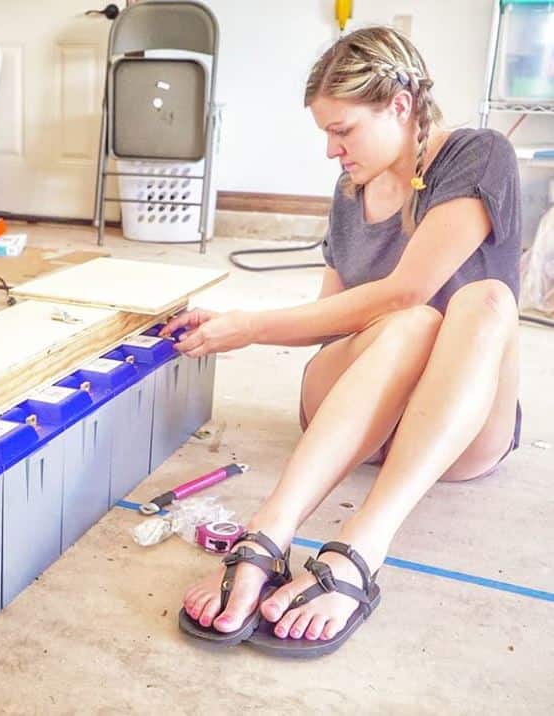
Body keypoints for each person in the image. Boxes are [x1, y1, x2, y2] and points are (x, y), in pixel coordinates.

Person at [161, 26, 523, 658]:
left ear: (401, 106)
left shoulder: (478, 154)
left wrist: (249, 329)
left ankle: (360, 549)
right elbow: (332, 318)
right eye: (326, 133)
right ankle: (270, 530)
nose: (331, 150)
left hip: (455, 429)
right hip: (356, 410)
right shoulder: (350, 188)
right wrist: (237, 320)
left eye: (344, 130)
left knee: (478, 301)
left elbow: (405, 292)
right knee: (410, 325)